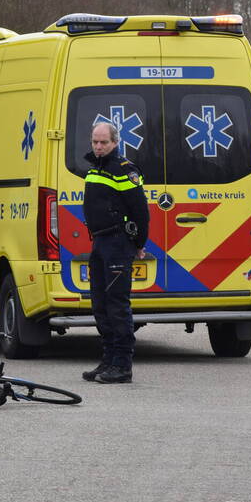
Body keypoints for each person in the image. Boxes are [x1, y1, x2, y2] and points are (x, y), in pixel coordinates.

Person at [81, 123, 149, 384]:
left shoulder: (124, 171)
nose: (98, 147)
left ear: (114, 143)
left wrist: (138, 243)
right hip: (99, 242)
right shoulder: (95, 168)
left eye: (104, 143)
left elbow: (141, 211)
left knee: (117, 305)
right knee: (99, 304)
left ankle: (122, 364)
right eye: (95, 142)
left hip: (118, 242)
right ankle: (108, 359)